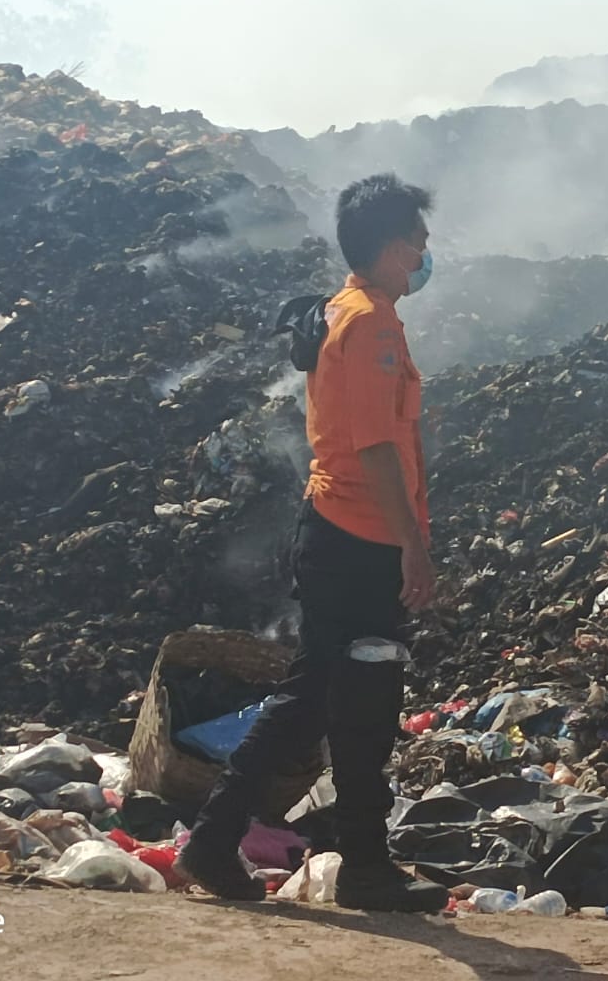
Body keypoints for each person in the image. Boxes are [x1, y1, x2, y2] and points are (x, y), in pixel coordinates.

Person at [178, 174, 447, 911]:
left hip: (343, 532)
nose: (427, 254)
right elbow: (376, 448)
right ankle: (349, 864)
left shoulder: (350, 311)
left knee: (326, 696)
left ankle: (247, 841)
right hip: (359, 540)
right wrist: (411, 548)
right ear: (395, 248)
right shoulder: (370, 325)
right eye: (419, 242)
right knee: (352, 700)